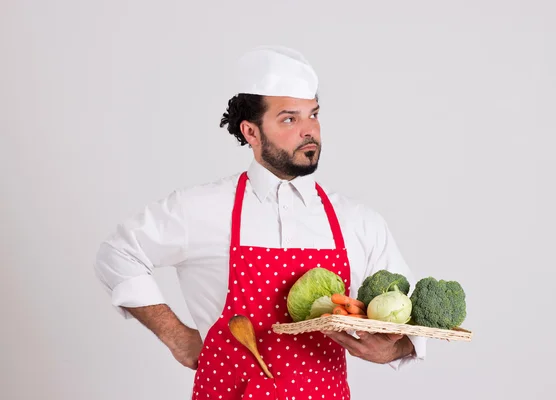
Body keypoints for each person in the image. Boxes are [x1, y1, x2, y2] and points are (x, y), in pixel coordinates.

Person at [94, 45, 426, 400]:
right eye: (289, 119)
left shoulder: (358, 221)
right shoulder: (200, 208)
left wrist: (395, 348)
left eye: (313, 114)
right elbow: (118, 254)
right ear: (251, 132)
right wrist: (175, 335)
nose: (309, 130)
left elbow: (407, 312)